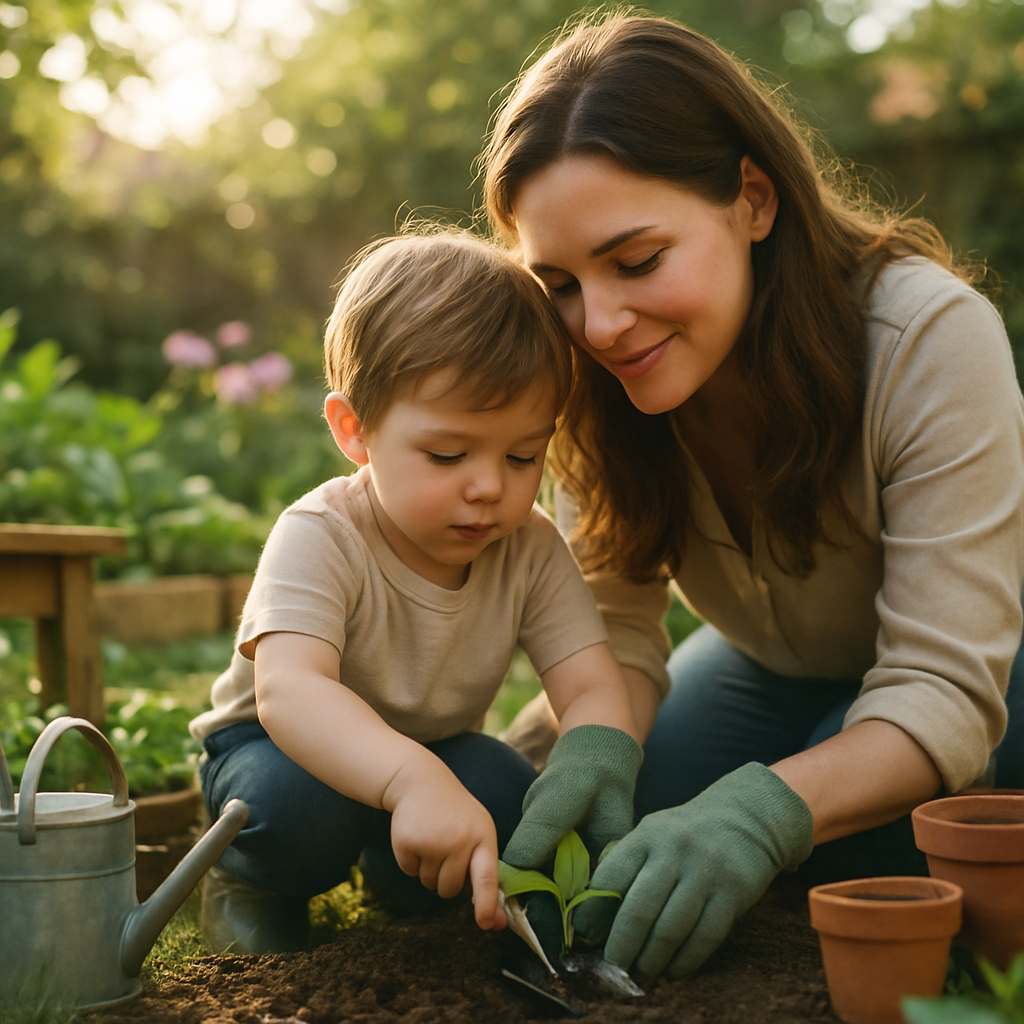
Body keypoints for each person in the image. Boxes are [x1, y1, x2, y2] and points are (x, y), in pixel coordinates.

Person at [481, 13, 1024, 983]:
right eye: (557, 281)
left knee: (858, 858)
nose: (598, 324)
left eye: (638, 261)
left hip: (986, 669)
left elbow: (940, 689)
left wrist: (761, 811)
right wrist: (596, 739)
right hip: (765, 664)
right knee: (632, 835)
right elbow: (615, 626)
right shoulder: (588, 379)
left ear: (753, 200)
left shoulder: (930, 340)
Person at [189, 229, 643, 955]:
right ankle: (252, 880)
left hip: (432, 746)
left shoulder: (527, 545)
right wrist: (407, 780)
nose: (491, 486)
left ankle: (403, 878)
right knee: (289, 809)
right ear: (355, 430)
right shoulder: (321, 532)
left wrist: (594, 757)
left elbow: (590, 681)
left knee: (505, 792)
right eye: (447, 454)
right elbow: (291, 693)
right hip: (280, 749)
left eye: (524, 454)